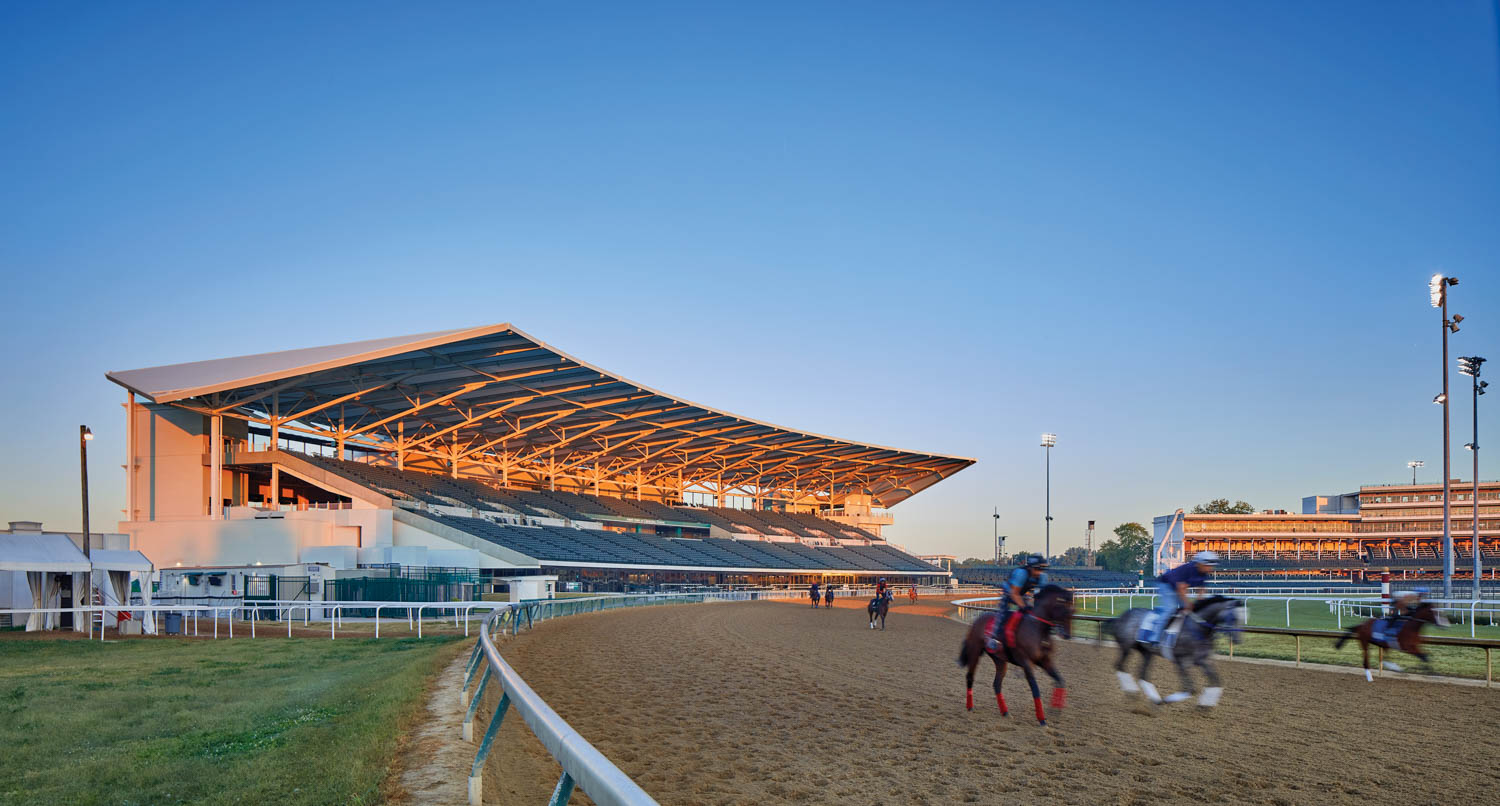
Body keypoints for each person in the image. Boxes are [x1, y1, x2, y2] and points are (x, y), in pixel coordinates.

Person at [1139, 551, 1219, 655]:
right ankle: (1154, 639)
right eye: (1209, 566)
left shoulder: (1204, 573)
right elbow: (1181, 588)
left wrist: (1199, 603)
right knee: (1170, 609)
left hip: (1177, 587)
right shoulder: (1191, 569)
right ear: (1200, 563)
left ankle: (1181, 639)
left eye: (1212, 566)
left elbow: (1201, 589)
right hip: (1165, 584)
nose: (1211, 569)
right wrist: (1188, 603)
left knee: (1188, 612)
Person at [986, 556, 1049, 651]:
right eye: (1037, 569)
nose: (1039, 572)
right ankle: (993, 639)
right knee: (1003, 614)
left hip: (1022, 594)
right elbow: (1014, 594)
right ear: (1030, 568)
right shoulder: (1021, 573)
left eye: (1042, 569)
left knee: (1031, 613)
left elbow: (1042, 595)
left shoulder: (1042, 576)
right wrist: (1024, 606)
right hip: (1009, 592)